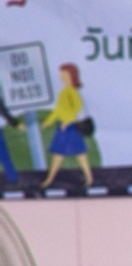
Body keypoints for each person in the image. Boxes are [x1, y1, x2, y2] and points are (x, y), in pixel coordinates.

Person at [41, 62, 90, 190]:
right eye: (61, 74)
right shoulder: (64, 91)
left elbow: (77, 107)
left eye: (64, 74)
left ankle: (89, 177)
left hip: (70, 127)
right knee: (60, 154)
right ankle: (50, 179)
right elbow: (58, 110)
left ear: (70, 75)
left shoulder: (71, 91)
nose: (61, 76)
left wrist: (67, 121)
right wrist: (48, 122)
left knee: (78, 153)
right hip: (63, 126)